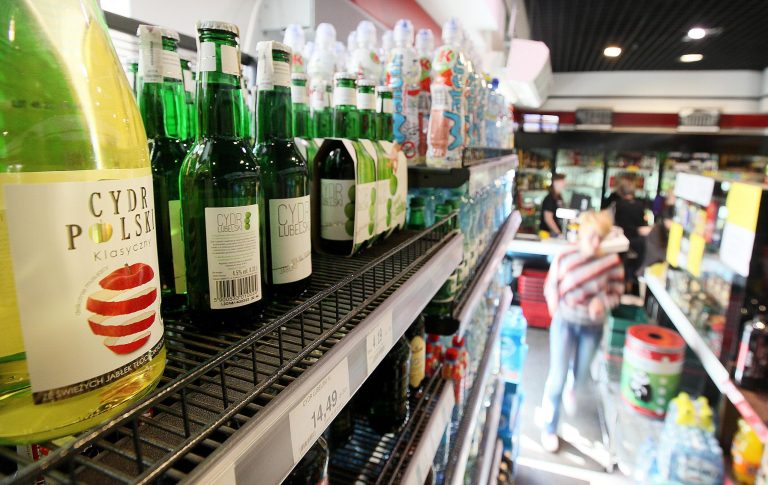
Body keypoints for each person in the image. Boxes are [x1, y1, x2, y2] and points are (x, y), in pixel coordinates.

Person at [540, 210, 624, 452]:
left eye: (601, 238)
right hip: (565, 323)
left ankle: (573, 387)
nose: (596, 243)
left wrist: (604, 302)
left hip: (592, 327)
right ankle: (549, 428)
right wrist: (553, 305)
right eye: (592, 237)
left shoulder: (611, 261)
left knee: (581, 376)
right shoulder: (565, 255)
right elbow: (551, 285)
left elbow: (617, 291)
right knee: (556, 377)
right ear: (583, 233)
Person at [612, 177, 650, 292]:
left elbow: (614, 224)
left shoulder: (618, 205)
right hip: (637, 243)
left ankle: (620, 290)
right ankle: (630, 289)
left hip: (621, 243)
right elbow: (643, 225)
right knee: (631, 266)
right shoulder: (640, 205)